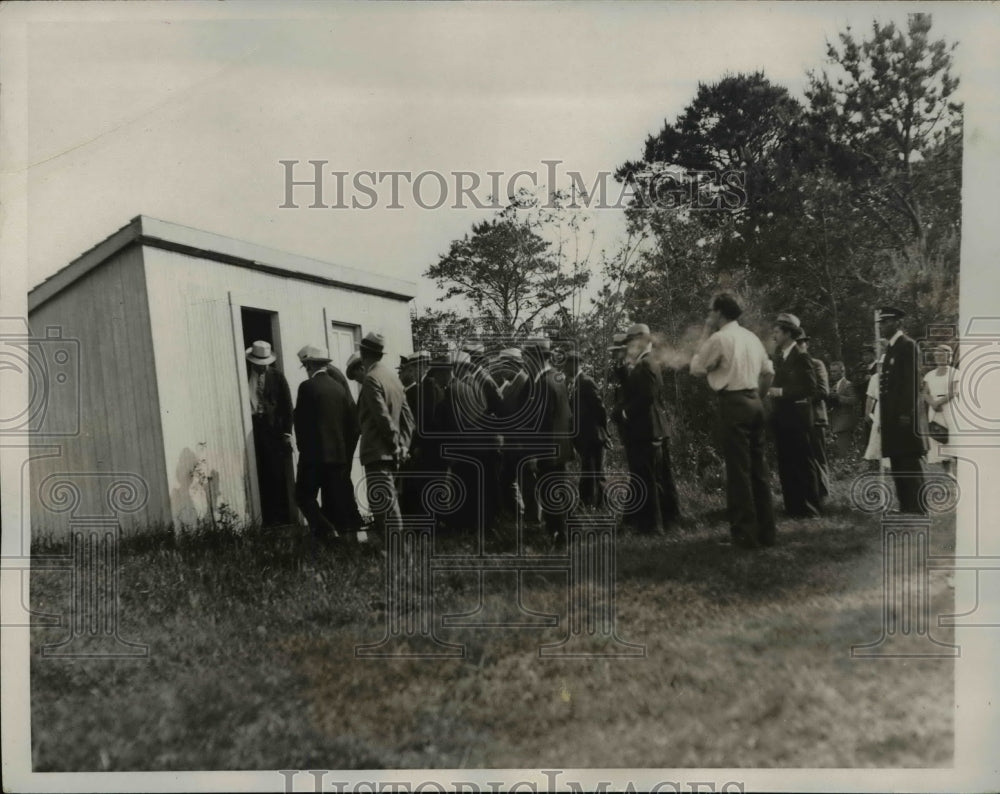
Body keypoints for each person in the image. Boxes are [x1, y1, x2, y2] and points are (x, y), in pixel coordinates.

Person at [690, 292, 776, 549]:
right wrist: (756, 397)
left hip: (733, 403)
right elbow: (769, 372)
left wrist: (705, 333)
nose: (708, 316)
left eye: (710, 311)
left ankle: (744, 535)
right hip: (754, 402)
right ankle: (766, 533)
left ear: (719, 312)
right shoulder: (751, 337)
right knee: (759, 470)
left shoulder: (719, 338)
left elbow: (696, 368)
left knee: (738, 472)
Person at [293, 346, 363, 541]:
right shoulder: (339, 388)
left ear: (309, 365)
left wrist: (303, 450)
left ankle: (325, 531)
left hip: (314, 456)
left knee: (303, 496)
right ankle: (345, 538)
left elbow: (301, 424)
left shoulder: (306, 387)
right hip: (338, 456)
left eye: (305, 365)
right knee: (337, 499)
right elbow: (351, 423)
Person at [621, 323, 681, 533]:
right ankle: (668, 521)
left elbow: (647, 396)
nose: (629, 347)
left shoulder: (645, 364)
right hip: (654, 427)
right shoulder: (647, 362)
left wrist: (626, 412)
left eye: (631, 342)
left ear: (642, 341)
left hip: (647, 428)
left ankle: (652, 526)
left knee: (647, 477)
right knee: (658, 476)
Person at [356, 332, 414, 538]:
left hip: (378, 452)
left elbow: (382, 418)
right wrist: (403, 446)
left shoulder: (371, 379)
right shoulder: (393, 379)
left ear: (363, 353)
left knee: (384, 505)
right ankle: (392, 550)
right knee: (388, 501)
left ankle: (396, 551)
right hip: (393, 453)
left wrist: (394, 445)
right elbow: (409, 419)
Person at [767, 313, 821, 518]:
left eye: (778, 331)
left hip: (798, 420)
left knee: (803, 463)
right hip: (782, 419)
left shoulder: (801, 356)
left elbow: (810, 387)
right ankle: (793, 507)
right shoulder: (780, 357)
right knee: (787, 464)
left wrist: (782, 392)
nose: (774, 335)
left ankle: (810, 508)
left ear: (788, 333)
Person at [522, 337, 574, 547]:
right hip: (561, 447)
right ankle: (560, 532)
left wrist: (535, 454)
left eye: (528, 358)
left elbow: (543, 422)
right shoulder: (558, 377)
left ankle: (559, 536)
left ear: (536, 359)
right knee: (557, 491)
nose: (526, 362)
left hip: (548, 449)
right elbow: (566, 415)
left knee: (550, 493)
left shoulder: (542, 383)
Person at [877, 306, 927, 514]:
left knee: (909, 461)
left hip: (905, 416)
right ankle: (906, 505)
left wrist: (906, 413)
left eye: (886, 322)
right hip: (892, 416)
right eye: (881, 322)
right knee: (898, 460)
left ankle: (918, 507)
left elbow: (912, 383)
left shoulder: (907, 345)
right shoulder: (890, 347)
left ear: (898, 323)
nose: (882, 326)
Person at [246, 340, 295, 525]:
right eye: (258, 365)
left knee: (275, 474)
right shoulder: (243, 375)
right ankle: (261, 518)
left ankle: (278, 520)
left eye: (264, 365)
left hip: (273, 432)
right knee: (257, 472)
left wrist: (287, 433)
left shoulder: (277, 377)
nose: (261, 368)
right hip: (252, 428)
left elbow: (288, 406)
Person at [565, 349, 610, 509]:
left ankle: (594, 504)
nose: (565, 368)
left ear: (575, 365)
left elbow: (600, 408)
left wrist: (605, 431)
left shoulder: (586, 382)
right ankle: (593, 504)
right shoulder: (575, 383)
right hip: (584, 437)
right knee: (591, 470)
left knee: (595, 471)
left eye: (567, 365)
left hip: (593, 435)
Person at [796, 333, 830, 502]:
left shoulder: (817, 364)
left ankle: (823, 495)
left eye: (801, 343)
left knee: (818, 457)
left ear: (806, 344)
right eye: (796, 343)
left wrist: (801, 399)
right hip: (797, 419)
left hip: (815, 417)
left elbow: (823, 391)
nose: (799, 346)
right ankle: (807, 494)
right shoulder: (790, 366)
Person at [922, 344, 959, 475]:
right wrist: (932, 403)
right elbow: (925, 392)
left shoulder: (955, 373)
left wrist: (939, 402)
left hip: (950, 408)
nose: (939, 358)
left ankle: (961, 473)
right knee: (939, 438)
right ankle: (948, 473)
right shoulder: (929, 375)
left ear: (949, 357)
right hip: (935, 410)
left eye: (942, 355)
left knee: (954, 439)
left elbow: (954, 392)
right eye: (937, 355)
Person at [827, 360, 858, 459]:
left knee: (842, 454)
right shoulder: (833, 387)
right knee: (837, 453)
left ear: (842, 371)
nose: (832, 374)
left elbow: (854, 400)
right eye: (831, 371)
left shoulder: (848, 385)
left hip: (845, 423)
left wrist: (839, 397)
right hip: (835, 423)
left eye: (835, 371)